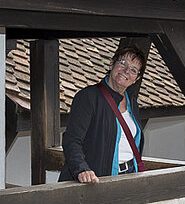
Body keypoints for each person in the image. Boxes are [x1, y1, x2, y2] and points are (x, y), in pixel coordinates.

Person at [58, 46, 147, 183]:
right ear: (112, 64)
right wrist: (82, 169)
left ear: (136, 78)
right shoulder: (88, 97)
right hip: (96, 180)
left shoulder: (132, 101)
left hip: (129, 175)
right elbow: (72, 140)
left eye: (133, 70)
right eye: (123, 63)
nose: (126, 71)